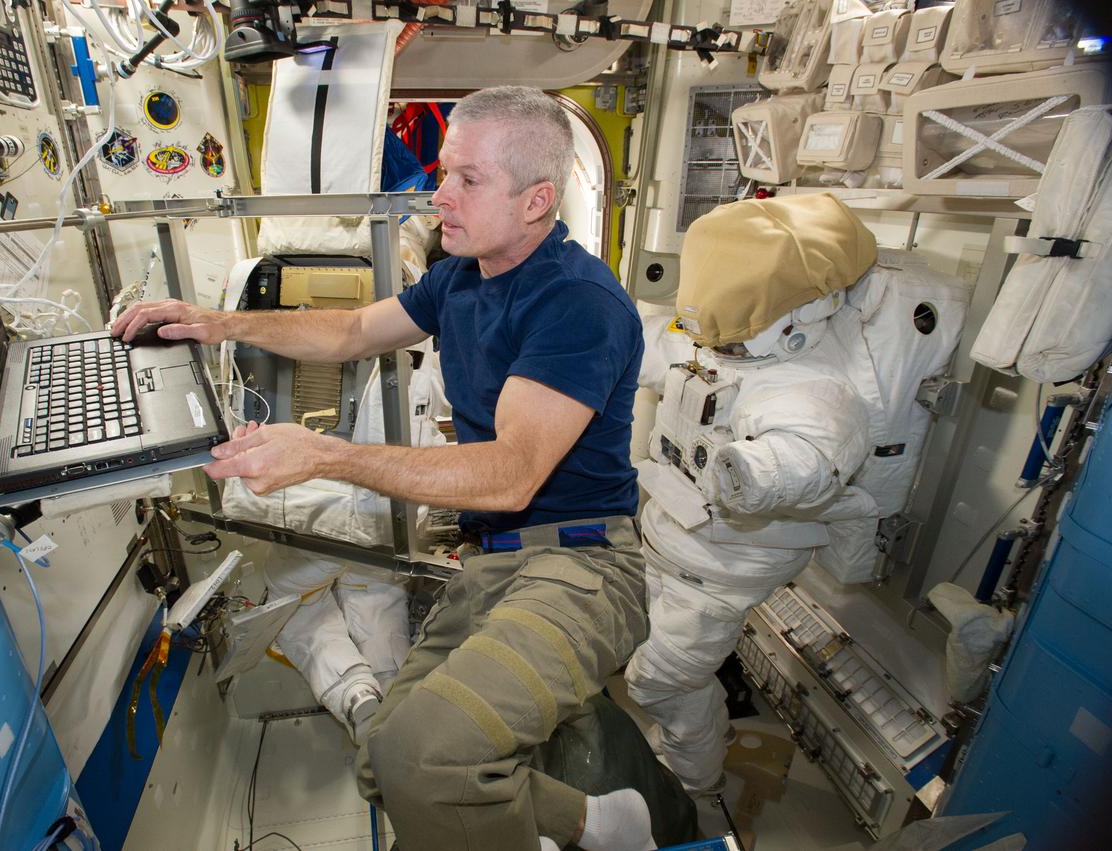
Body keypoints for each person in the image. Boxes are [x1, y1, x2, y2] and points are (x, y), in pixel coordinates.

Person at [112, 86, 653, 851]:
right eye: (443, 172)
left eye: (468, 179)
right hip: (495, 561)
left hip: (584, 564)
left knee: (425, 755)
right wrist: (214, 321)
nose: (440, 196)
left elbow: (509, 476)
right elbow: (355, 328)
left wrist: (325, 452)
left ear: (537, 201)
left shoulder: (578, 302)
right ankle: (600, 823)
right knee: (382, 758)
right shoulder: (464, 274)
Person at [624, 194, 882, 795]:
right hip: (664, 541)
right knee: (665, 669)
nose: (716, 347)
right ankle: (699, 735)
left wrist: (747, 472)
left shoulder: (811, 389)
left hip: (722, 570)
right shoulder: (707, 342)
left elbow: (807, 460)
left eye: (732, 339)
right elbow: (652, 348)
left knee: (655, 682)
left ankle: (693, 786)